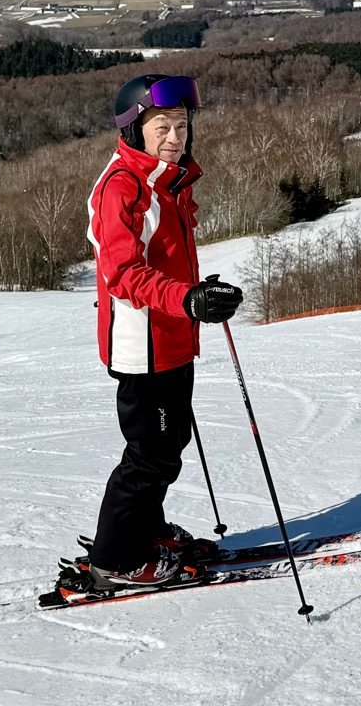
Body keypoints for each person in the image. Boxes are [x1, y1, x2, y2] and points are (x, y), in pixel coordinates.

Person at [84, 73, 245, 586]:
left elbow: (167, 262)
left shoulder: (165, 181)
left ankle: (146, 530)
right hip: (143, 346)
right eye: (162, 126)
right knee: (148, 457)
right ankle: (115, 559)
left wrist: (197, 294)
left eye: (181, 125)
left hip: (174, 338)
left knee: (169, 445)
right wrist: (187, 298)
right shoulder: (123, 186)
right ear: (135, 130)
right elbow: (123, 273)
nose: (176, 137)